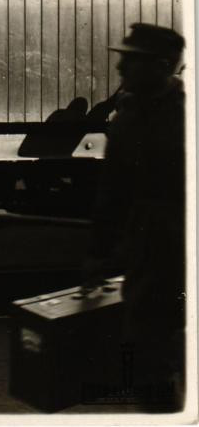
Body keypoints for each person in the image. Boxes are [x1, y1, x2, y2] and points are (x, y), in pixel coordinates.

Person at [84, 23, 186, 411]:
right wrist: (98, 254)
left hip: (176, 243)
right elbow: (112, 194)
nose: (120, 67)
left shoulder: (184, 114)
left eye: (132, 60)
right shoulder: (128, 115)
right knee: (149, 349)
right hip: (151, 248)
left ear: (162, 66)